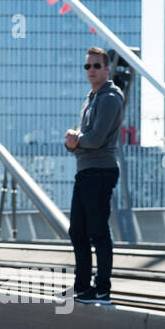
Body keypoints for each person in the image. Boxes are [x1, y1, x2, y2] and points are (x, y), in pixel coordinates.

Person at [63, 46, 124, 304]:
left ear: (107, 69)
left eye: (96, 66)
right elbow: (82, 139)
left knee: (98, 232)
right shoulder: (91, 98)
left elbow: (97, 139)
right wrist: (71, 143)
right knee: (77, 230)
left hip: (100, 171)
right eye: (87, 66)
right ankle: (82, 287)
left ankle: (102, 289)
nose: (91, 70)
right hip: (85, 171)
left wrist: (76, 141)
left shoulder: (110, 98)